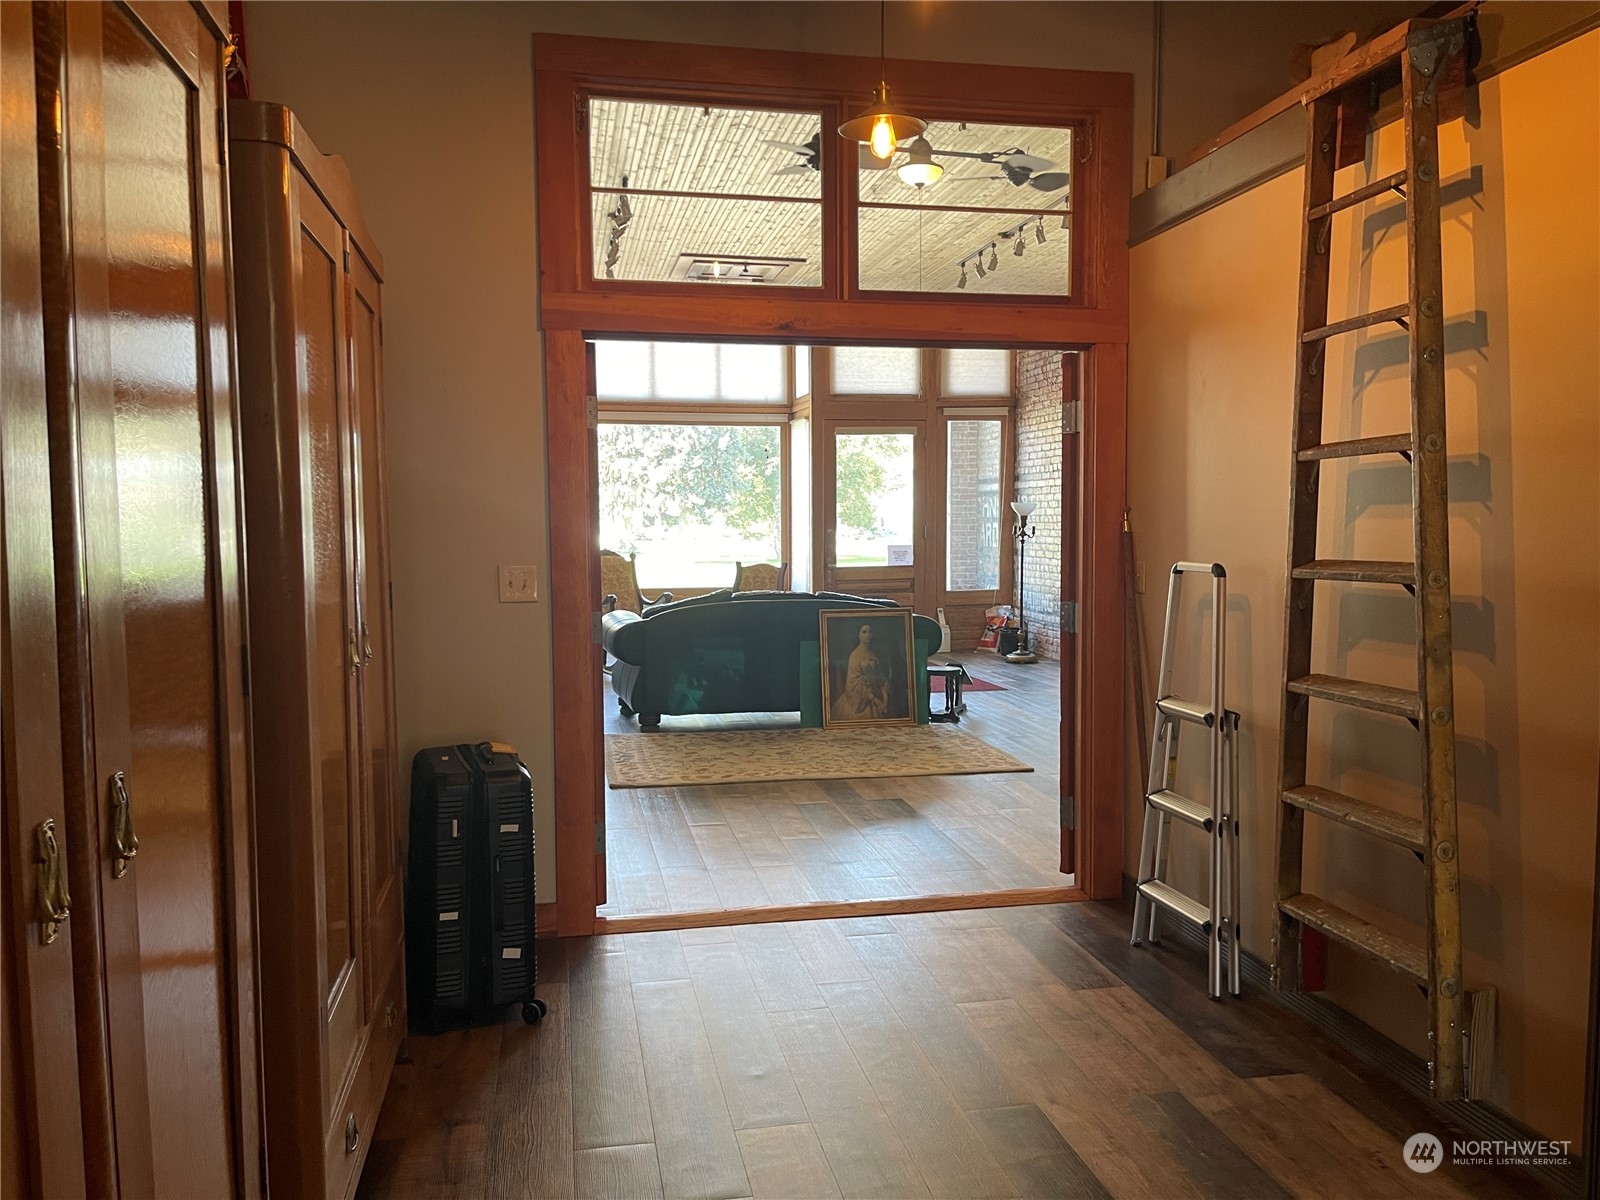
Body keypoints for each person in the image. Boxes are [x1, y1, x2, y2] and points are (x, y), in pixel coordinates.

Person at [832, 622, 892, 721]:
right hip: (863, 700)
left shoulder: (873, 654)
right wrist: (878, 702)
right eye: (864, 632)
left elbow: (880, 678)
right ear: (858, 635)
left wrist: (885, 699)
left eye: (870, 632)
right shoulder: (855, 655)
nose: (868, 635)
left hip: (876, 695)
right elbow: (853, 684)